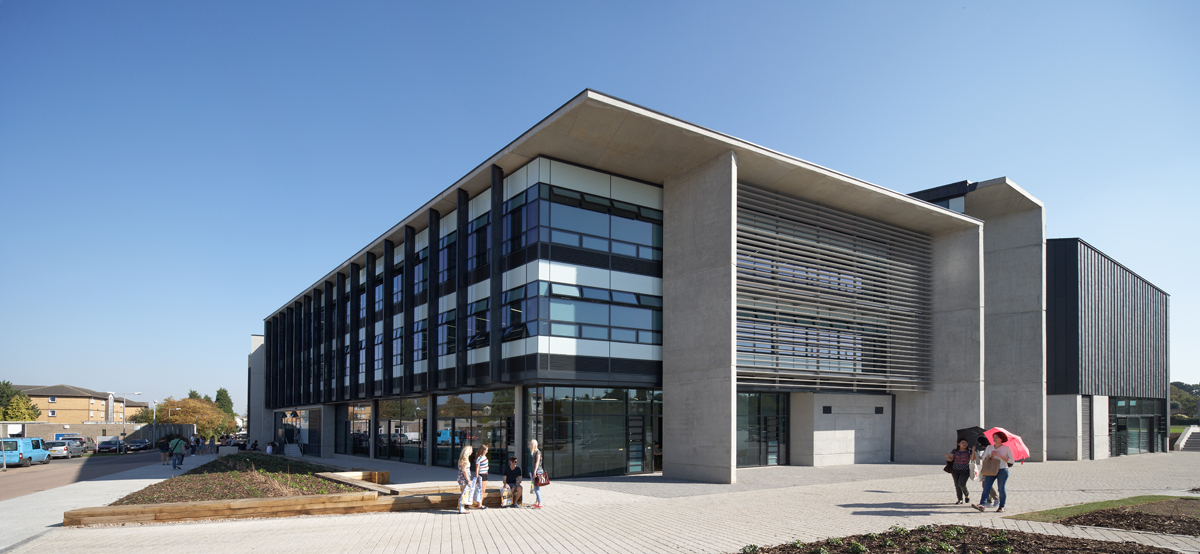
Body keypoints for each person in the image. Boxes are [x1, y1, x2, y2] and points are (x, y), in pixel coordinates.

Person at [973, 431, 1014, 513]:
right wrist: (990, 455)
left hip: (1002, 470)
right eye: (994, 437)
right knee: (986, 487)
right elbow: (984, 458)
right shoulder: (989, 447)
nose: (994, 439)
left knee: (1001, 489)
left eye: (997, 437)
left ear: (1001, 438)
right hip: (990, 469)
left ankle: (1002, 506)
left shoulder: (1007, 448)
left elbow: (1011, 461)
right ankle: (982, 504)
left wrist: (999, 456)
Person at [973, 436, 1000, 507]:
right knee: (985, 485)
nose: (979, 444)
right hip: (987, 468)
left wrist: (984, 457)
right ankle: (989, 500)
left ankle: (996, 498)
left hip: (990, 468)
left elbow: (990, 457)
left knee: (986, 485)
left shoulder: (990, 448)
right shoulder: (988, 448)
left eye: (979, 443)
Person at [945, 438, 972, 505]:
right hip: (955, 470)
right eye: (963, 442)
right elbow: (951, 459)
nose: (965, 444)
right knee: (957, 485)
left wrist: (973, 451)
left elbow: (973, 459)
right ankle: (960, 499)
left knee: (961, 484)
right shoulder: (954, 451)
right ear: (958, 444)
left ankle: (966, 494)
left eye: (966, 442)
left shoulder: (969, 451)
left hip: (965, 470)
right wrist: (948, 457)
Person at [457, 445, 475, 515]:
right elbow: (464, 471)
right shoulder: (463, 460)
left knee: (463, 493)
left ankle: (461, 508)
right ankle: (461, 508)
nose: (472, 452)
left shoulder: (462, 459)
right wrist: (468, 480)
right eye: (471, 451)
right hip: (463, 478)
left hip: (461, 478)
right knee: (464, 493)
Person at [473, 444, 490, 509]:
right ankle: (479, 504)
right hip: (481, 475)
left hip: (485, 474)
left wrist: (487, 468)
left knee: (483, 490)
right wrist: (476, 477)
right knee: (481, 490)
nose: (487, 451)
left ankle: (480, 503)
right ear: (483, 450)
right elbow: (477, 468)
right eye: (486, 450)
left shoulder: (484, 457)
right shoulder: (479, 458)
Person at [528, 439, 544, 509]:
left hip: (538, 471)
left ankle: (540, 503)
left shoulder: (538, 453)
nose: (529, 445)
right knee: (538, 487)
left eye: (530, 444)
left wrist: (534, 471)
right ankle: (537, 501)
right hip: (538, 471)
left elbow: (537, 463)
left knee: (536, 488)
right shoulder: (536, 452)